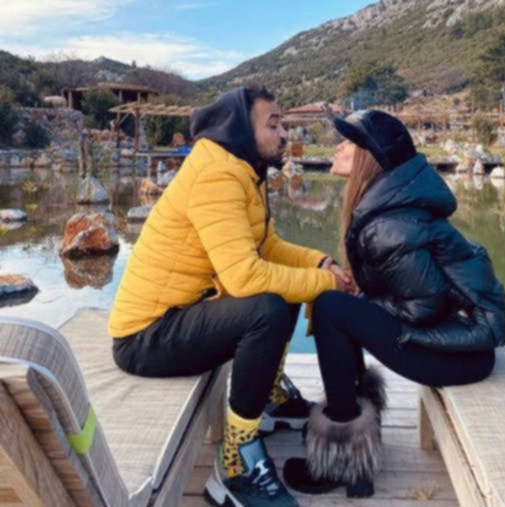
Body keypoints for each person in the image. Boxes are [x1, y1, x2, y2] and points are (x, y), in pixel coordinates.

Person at [108, 84, 352, 507]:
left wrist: (320, 264)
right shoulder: (216, 175)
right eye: (273, 125)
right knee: (266, 308)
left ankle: (268, 396)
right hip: (146, 336)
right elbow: (244, 278)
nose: (284, 134)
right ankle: (236, 462)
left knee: (288, 282)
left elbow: (268, 247)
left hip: (184, 311)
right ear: (242, 129)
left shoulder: (243, 170)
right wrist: (326, 284)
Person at [284, 110, 505, 498]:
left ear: (369, 157)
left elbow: (425, 307)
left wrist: (362, 300)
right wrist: (362, 300)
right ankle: (351, 426)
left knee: (331, 308)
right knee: (340, 307)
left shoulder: (388, 224)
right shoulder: (386, 210)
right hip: (462, 343)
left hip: (461, 355)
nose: (338, 147)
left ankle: (343, 460)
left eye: (349, 142)